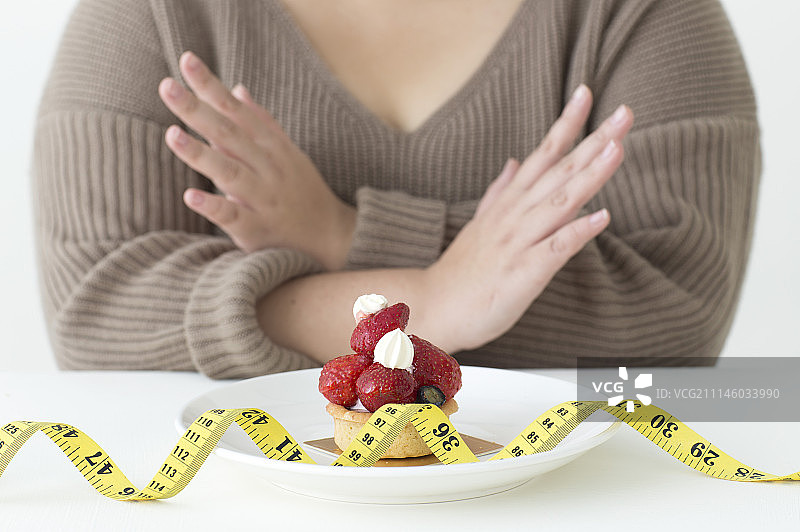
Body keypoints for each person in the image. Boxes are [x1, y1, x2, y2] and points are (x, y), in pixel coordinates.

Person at [33, 0, 760, 378]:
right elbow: (97, 314)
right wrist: (432, 298)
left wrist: (340, 238)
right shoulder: (149, 14)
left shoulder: (647, 14)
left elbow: (675, 316)